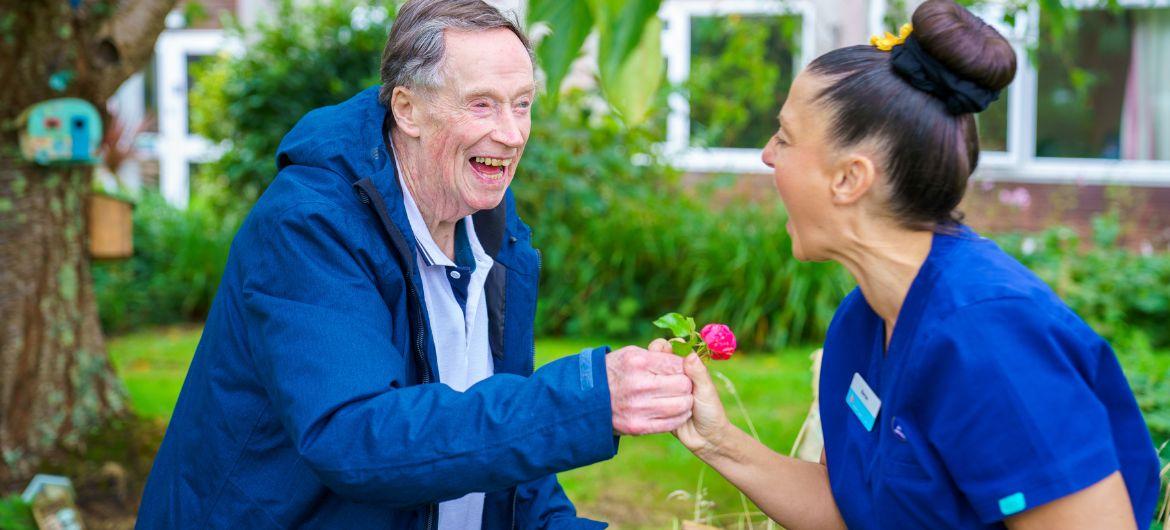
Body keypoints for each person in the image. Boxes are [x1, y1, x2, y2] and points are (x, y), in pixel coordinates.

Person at [137, 1, 694, 528]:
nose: (511, 133)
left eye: (521, 103)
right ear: (407, 109)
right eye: (482, 103)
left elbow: (500, 454)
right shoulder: (310, 224)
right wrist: (587, 397)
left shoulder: (489, 226)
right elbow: (354, 436)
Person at [659, 1, 1163, 528]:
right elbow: (850, 510)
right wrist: (716, 440)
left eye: (784, 137)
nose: (767, 155)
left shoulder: (991, 336)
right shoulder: (863, 319)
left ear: (851, 178)